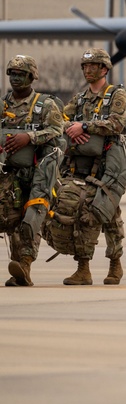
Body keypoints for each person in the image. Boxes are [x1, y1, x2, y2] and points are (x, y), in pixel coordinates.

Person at [58, 48, 126, 286]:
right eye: (84, 66)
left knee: (107, 212)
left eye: (93, 66)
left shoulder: (117, 95)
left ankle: (115, 263)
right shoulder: (80, 98)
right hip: (81, 163)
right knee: (82, 212)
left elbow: (117, 123)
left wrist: (85, 127)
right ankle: (83, 268)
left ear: (104, 69)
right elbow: (60, 118)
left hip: (110, 164)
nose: (87, 70)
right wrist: (72, 127)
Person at [1, 55, 64, 286]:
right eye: (12, 74)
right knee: (10, 214)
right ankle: (20, 269)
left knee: (32, 215)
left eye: (21, 74)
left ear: (31, 76)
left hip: (40, 169)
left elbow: (58, 129)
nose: (16, 79)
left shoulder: (45, 104)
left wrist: (29, 137)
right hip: (10, 170)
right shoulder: (3, 104)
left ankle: (24, 263)